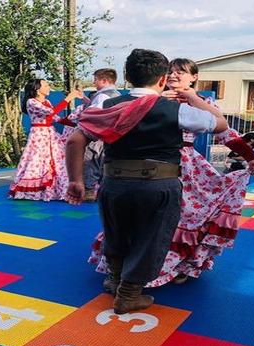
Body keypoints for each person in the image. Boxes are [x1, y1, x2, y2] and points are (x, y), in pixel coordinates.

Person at [65, 49, 229, 314]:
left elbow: (75, 140)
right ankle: (129, 294)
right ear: (163, 79)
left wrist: (76, 180)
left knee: (116, 233)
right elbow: (220, 124)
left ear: (128, 77)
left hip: (114, 183)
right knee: (151, 239)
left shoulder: (107, 104)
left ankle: (115, 280)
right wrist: (192, 97)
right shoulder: (174, 110)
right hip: (158, 186)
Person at [88, 58, 254, 288]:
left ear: (194, 77)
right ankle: (124, 271)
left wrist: (251, 156)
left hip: (189, 171)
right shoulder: (151, 97)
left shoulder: (202, 103)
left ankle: (175, 266)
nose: (174, 75)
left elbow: (225, 132)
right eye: (171, 71)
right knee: (137, 219)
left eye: (181, 72)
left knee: (184, 219)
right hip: (147, 163)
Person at [8, 79, 82, 201]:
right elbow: (51, 112)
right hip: (39, 135)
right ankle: (35, 190)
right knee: (37, 161)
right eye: (46, 85)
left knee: (58, 161)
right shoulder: (31, 102)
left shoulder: (46, 101)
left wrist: (77, 124)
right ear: (37, 89)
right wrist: (68, 98)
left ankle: (58, 190)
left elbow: (55, 117)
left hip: (50, 134)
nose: (49, 87)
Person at [82, 69, 121, 201]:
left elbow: (94, 116)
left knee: (90, 161)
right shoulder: (117, 95)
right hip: (112, 136)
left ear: (104, 81)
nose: (94, 82)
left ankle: (89, 191)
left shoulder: (102, 96)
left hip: (98, 135)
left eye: (96, 79)